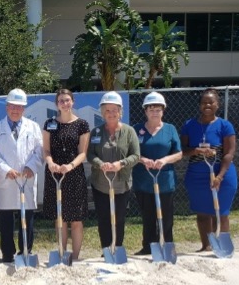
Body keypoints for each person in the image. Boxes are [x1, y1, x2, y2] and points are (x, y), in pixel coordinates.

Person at [0, 88, 43, 262]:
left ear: (24, 109)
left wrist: (30, 167)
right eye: (12, 106)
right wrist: (6, 170)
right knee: (6, 218)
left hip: (26, 178)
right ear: (6, 107)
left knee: (27, 216)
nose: (15, 110)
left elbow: (39, 151)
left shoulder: (33, 127)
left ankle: (26, 251)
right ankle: (7, 252)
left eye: (19, 107)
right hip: (7, 179)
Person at [181, 88, 237, 252]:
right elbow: (183, 150)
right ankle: (206, 246)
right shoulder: (189, 125)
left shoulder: (225, 126)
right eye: (204, 102)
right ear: (199, 105)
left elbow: (229, 153)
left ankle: (223, 248)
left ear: (217, 105)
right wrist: (196, 151)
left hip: (223, 176)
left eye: (211, 102)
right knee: (203, 212)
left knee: (221, 212)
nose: (207, 105)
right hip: (197, 176)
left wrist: (219, 177)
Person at [87, 91, 140, 253]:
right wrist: (100, 164)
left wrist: (121, 163)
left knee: (119, 219)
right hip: (101, 184)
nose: (111, 113)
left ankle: (117, 248)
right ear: (102, 112)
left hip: (121, 185)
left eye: (114, 110)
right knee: (103, 219)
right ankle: (106, 250)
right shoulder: (96, 132)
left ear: (120, 111)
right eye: (107, 110)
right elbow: (90, 154)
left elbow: (136, 156)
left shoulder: (129, 132)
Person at [131, 92, 182, 256]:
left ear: (163, 110)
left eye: (158, 109)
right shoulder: (137, 129)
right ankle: (148, 247)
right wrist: (143, 160)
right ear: (145, 111)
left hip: (165, 181)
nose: (154, 112)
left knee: (166, 217)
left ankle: (167, 246)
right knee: (148, 216)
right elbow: (130, 152)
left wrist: (165, 160)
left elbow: (179, 153)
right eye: (151, 109)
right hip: (143, 181)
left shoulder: (170, 129)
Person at [42, 89, 90, 261]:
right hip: (55, 175)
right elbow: (46, 150)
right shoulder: (49, 124)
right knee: (60, 218)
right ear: (57, 104)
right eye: (61, 101)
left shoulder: (82, 124)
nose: (64, 103)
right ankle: (62, 255)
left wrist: (70, 166)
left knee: (76, 219)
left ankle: (75, 258)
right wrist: (51, 163)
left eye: (67, 100)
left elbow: (83, 153)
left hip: (74, 174)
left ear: (73, 102)